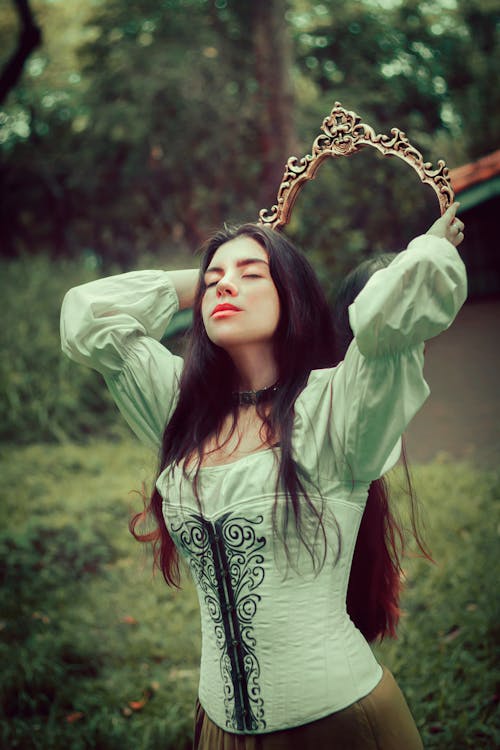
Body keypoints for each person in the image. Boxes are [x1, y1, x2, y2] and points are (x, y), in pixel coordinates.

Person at [60, 203, 466, 749]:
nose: (226, 287)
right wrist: (205, 276)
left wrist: (430, 247)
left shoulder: (336, 407)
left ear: (291, 295)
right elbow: (88, 317)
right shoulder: (181, 409)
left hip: (339, 726)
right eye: (215, 281)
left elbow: (393, 314)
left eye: (252, 276)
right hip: (217, 731)